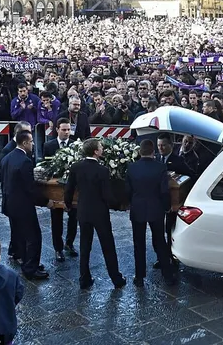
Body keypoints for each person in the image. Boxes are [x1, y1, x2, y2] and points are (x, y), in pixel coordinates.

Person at [65, 138, 126, 290]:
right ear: (95, 151)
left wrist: (68, 205)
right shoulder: (102, 170)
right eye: (100, 147)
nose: (102, 149)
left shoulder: (76, 167)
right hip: (100, 214)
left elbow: (69, 189)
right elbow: (107, 195)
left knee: (85, 245)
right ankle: (116, 278)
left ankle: (84, 279)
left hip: (83, 211)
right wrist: (118, 205)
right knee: (108, 246)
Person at [0, 131, 53, 280]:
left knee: (21, 236)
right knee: (34, 237)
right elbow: (30, 188)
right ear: (24, 143)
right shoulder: (25, 161)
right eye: (31, 142)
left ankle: (27, 263)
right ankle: (30, 268)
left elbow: (1, 178)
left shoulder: (7, 157)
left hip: (10, 204)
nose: (33, 144)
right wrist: (46, 201)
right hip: (23, 206)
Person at [126, 139, 175, 287]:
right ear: (153, 151)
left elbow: (128, 190)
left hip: (138, 208)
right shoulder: (160, 167)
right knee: (159, 241)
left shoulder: (131, 168)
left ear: (140, 152)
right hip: (156, 208)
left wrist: (131, 203)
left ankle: (139, 277)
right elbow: (164, 191)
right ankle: (167, 275)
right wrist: (167, 207)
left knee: (138, 243)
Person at [42, 118, 78, 262]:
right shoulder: (48, 145)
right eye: (64, 130)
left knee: (74, 217)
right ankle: (58, 248)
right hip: (55, 188)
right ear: (57, 129)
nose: (67, 132)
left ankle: (69, 243)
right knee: (56, 219)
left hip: (73, 188)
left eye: (69, 129)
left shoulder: (75, 145)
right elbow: (45, 165)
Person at [0, 120, 31, 263]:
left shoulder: (25, 146)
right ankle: (18, 252)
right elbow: (1, 175)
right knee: (16, 227)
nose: (30, 135)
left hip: (18, 195)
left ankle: (15, 250)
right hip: (13, 195)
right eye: (26, 132)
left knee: (18, 227)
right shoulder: (8, 150)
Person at [155, 132, 190, 268]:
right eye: (158, 145)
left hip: (172, 201)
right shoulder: (156, 159)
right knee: (158, 230)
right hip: (158, 201)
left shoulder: (178, 160)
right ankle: (161, 257)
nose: (161, 148)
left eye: (163, 145)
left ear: (170, 145)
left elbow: (189, 174)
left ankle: (171, 255)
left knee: (170, 229)